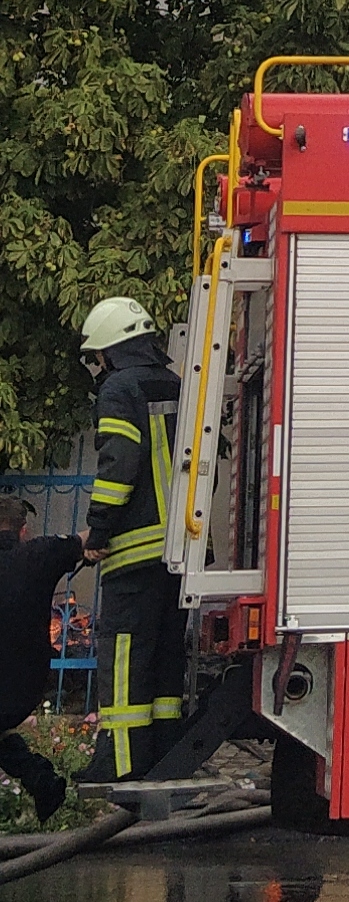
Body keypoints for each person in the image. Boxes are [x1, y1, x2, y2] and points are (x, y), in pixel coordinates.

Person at [71, 297, 185, 784]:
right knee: (164, 658)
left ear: (109, 351)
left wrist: (98, 531)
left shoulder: (119, 388)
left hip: (135, 549)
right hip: (180, 554)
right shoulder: (176, 383)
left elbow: (119, 463)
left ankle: (117, 763)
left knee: (124, 656)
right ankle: (164, 757)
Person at [1, 493, 85, 821]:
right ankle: (42, 780)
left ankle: (41, 779)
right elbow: (87, 539)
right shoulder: (40, 553)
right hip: (28, 685)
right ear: (23, 530)